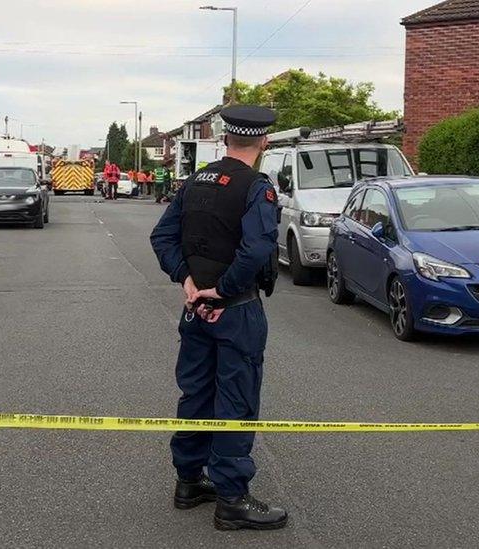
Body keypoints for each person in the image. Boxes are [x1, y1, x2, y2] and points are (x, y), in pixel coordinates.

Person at [150, 105, 285, 531]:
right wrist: (223, 290)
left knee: (196, 395)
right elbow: (258, 249)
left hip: (195, 310)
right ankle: (231, 498)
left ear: (225, 138)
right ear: (264, 141)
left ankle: (189, 481)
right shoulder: (256, 188)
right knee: (236, 401)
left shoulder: (195, 181)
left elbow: (162, 236)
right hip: (236, 310)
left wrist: (187, 281)